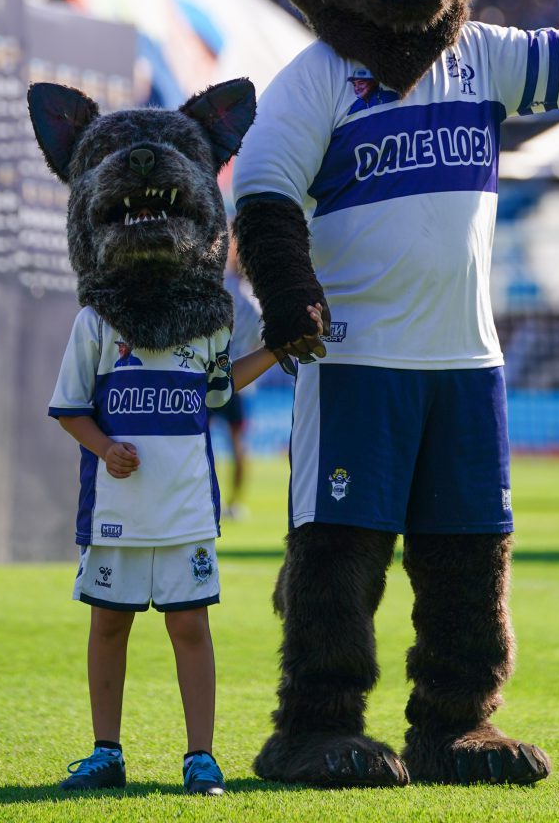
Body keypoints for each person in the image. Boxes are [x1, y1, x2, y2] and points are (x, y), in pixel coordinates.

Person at [50, 301, 322, 796]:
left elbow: (219, 387)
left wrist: (275, 350)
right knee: (108, 624)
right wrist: (105, 448)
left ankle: (201, 758)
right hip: (116, 511)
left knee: (190, 625)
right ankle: (106, 753)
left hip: (187, 510)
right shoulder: (96, 320)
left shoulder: (206, 319)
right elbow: (71, 408)